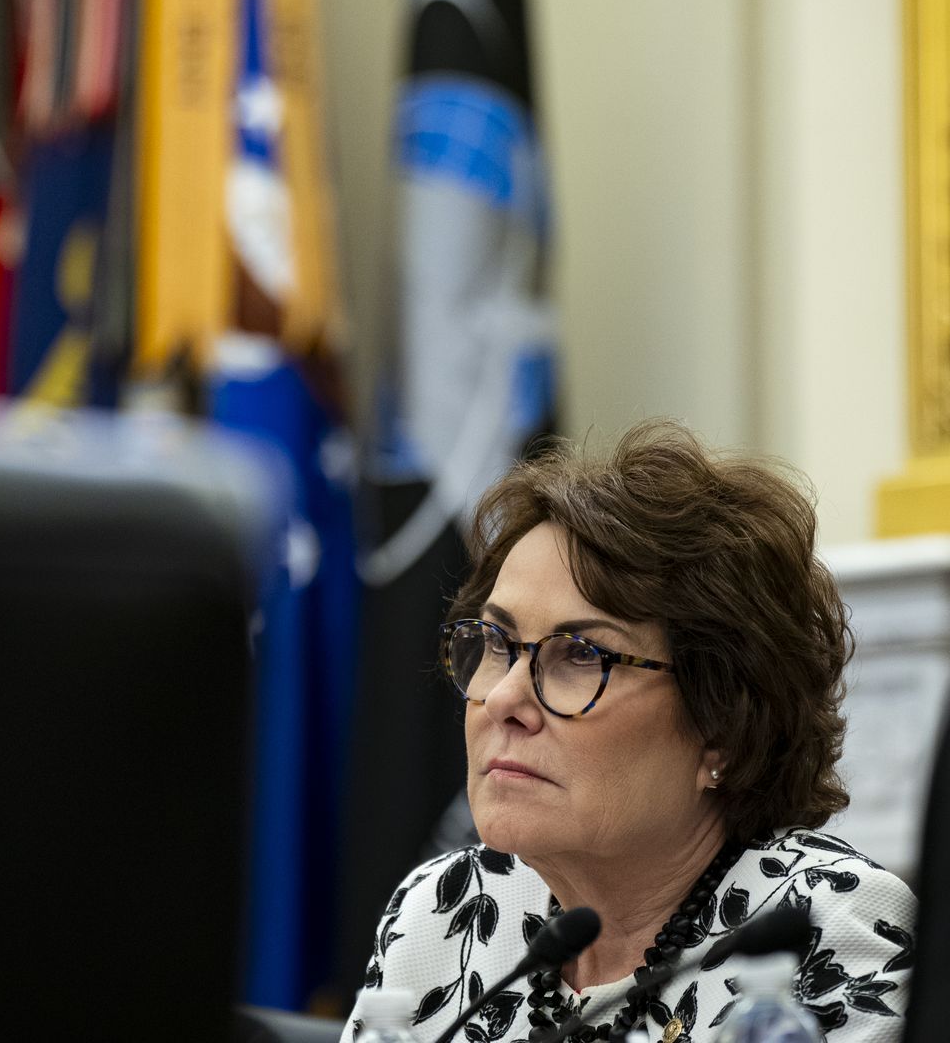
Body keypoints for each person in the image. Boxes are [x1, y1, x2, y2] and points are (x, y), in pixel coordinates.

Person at [343, 420, 915, 1043]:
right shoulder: (446, 908)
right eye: (496, 642)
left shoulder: (833, 931)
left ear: (722, 723)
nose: (504, 698)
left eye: (581, 654)